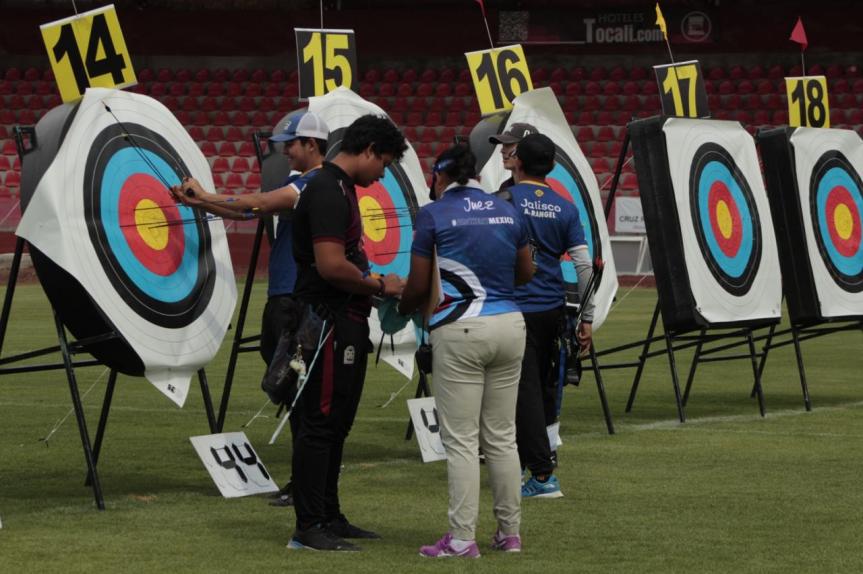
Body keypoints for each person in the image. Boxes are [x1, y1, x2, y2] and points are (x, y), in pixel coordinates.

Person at [173, 111, 330, 507]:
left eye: (291, 145)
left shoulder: (312, 185)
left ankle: (306, 484)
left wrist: (204, 196)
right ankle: (307, 482)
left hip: (297, 301)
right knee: (292, 391)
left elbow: (257, 203)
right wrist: (199, 203)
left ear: (312, 145)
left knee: (299, 395)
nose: (286, 153)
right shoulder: (304, 183)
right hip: (286, 297)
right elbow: (250, 210)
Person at [398, 144, 534, 558]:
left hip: (460, 327)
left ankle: (461, 537)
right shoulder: (508, 209)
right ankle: (509, 534)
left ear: (440, 177)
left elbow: (420, 285)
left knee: (460, 441)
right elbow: (526, 271)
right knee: (503, 437)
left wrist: (401, 309)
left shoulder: (434, 214)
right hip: (510, 324)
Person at [503, 133, 595, 499]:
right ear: (553, 167)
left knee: (521, 390)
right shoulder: (565, 206)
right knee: (541, 389)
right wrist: (586, 316)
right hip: (552, 310)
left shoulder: (505, 200)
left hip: (513, 307)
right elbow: (584, 265)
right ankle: (534, 464)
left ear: (518, 162)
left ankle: (542, 475)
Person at [488, 122, 539, 193]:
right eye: (503, 145)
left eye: (508, 145)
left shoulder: (543, 191)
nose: (502, 151)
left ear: (528, 149)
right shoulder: (505, 186)